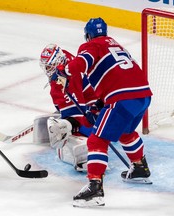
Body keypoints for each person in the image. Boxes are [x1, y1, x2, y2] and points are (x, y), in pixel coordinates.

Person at [56, 17, 153, 207]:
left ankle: (95, 189)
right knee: (125, 131)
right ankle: (140, 168)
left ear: (88, 35)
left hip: (122, 98)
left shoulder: (91, 46)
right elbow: (116, 75)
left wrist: (63, 69)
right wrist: (99, 103)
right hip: (143, 95)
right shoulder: (116, 46)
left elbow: (81, 63)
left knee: (96, 140)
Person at [35, 43, 102, 171]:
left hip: (95, 105)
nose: (48, 70)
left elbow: (79, 114)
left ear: (59, 61)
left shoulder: (70, 78)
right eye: (47, 67)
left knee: (82, 127)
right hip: (96, 97)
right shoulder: (64, 58)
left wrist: (68, 123)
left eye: (50, 66)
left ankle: (85, 150)